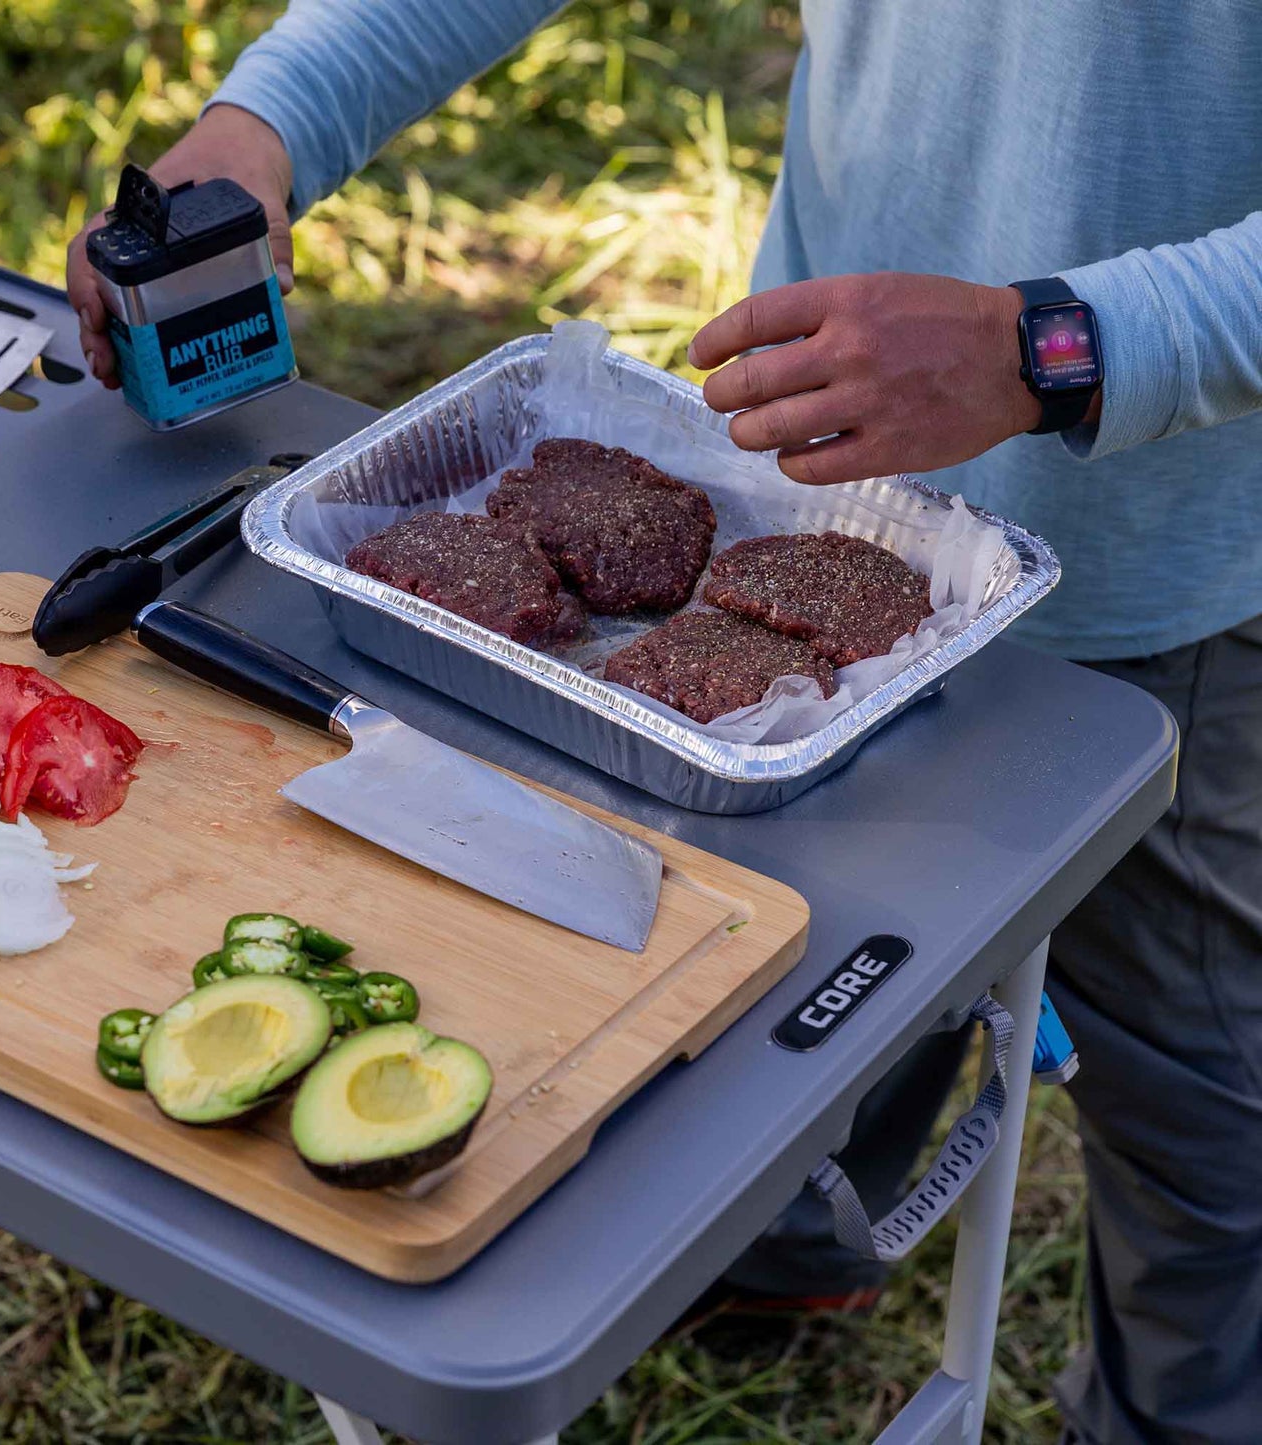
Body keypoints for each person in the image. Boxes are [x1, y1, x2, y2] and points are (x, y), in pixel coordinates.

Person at [66, 6, 1262, 1441]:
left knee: (1213, 1125)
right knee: (831, 971)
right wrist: (259, 128)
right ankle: (798, 1252)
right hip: (801, 485)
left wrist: (1054, 343)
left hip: (1166, 588)